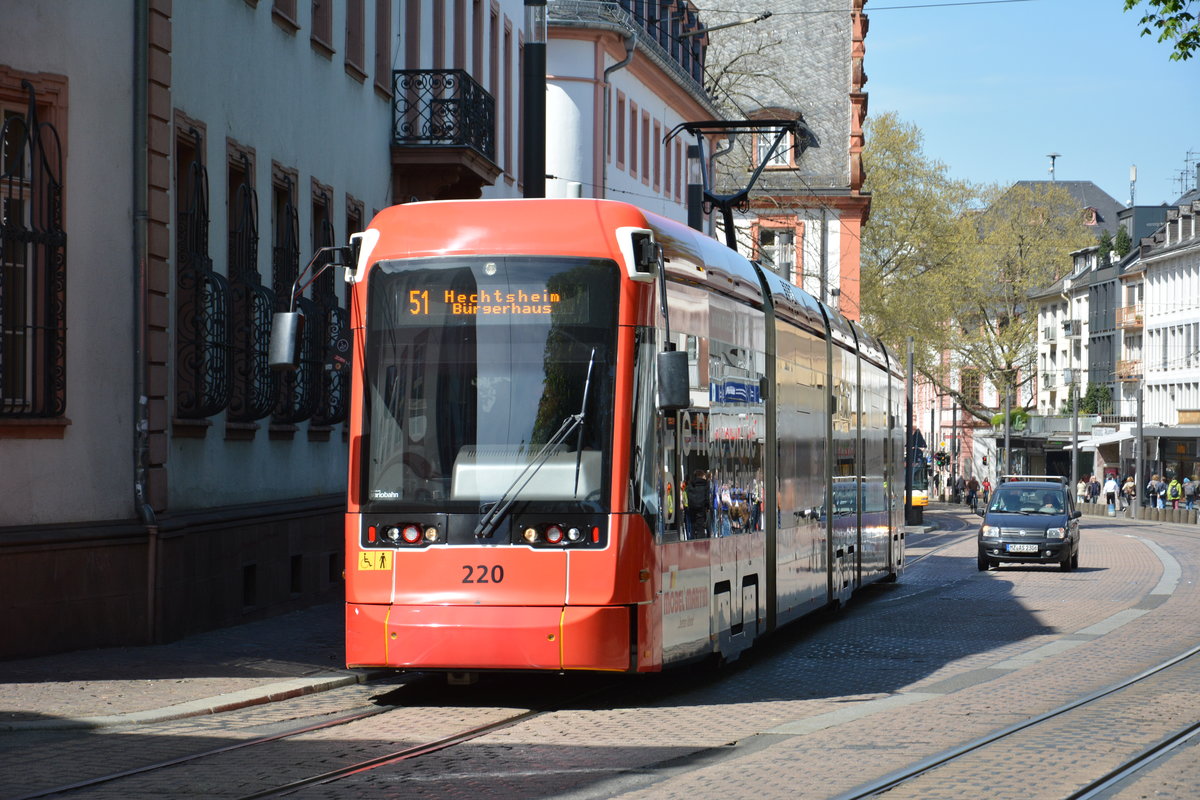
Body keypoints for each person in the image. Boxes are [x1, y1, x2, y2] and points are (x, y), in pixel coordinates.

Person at [685, 469, 710, 539]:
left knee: (693, 526)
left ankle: (692, 540)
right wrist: (707, 507)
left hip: (692, 508)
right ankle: (700, 541)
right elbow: (707, 498)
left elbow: (688, 496)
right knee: (700, 526)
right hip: (701, 509)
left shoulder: (691, 485)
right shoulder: (705, 485)